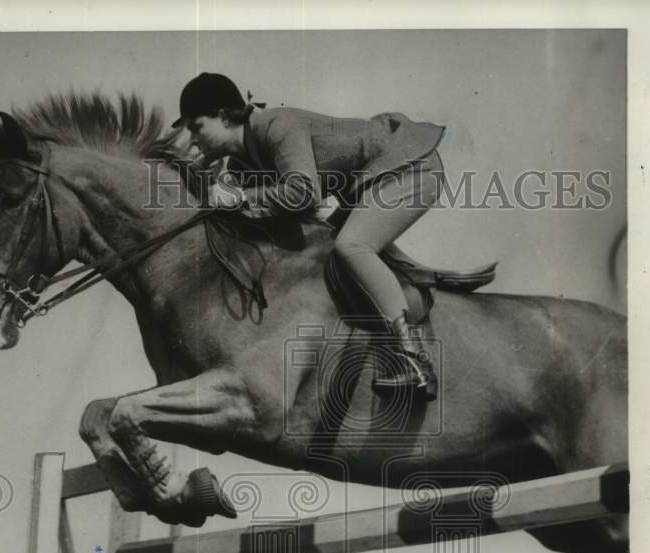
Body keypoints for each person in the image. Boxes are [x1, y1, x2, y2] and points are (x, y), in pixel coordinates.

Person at [172, 72, 445, 400]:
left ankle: (415, 361)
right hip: (369, 184)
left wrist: (240, 197)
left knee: (352, 246)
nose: (192, 140)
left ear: (223, 116)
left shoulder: (277, 125)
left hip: (408, 164)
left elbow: (303, 193)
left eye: (196, 127)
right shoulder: (240, 165)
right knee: (330, 248)